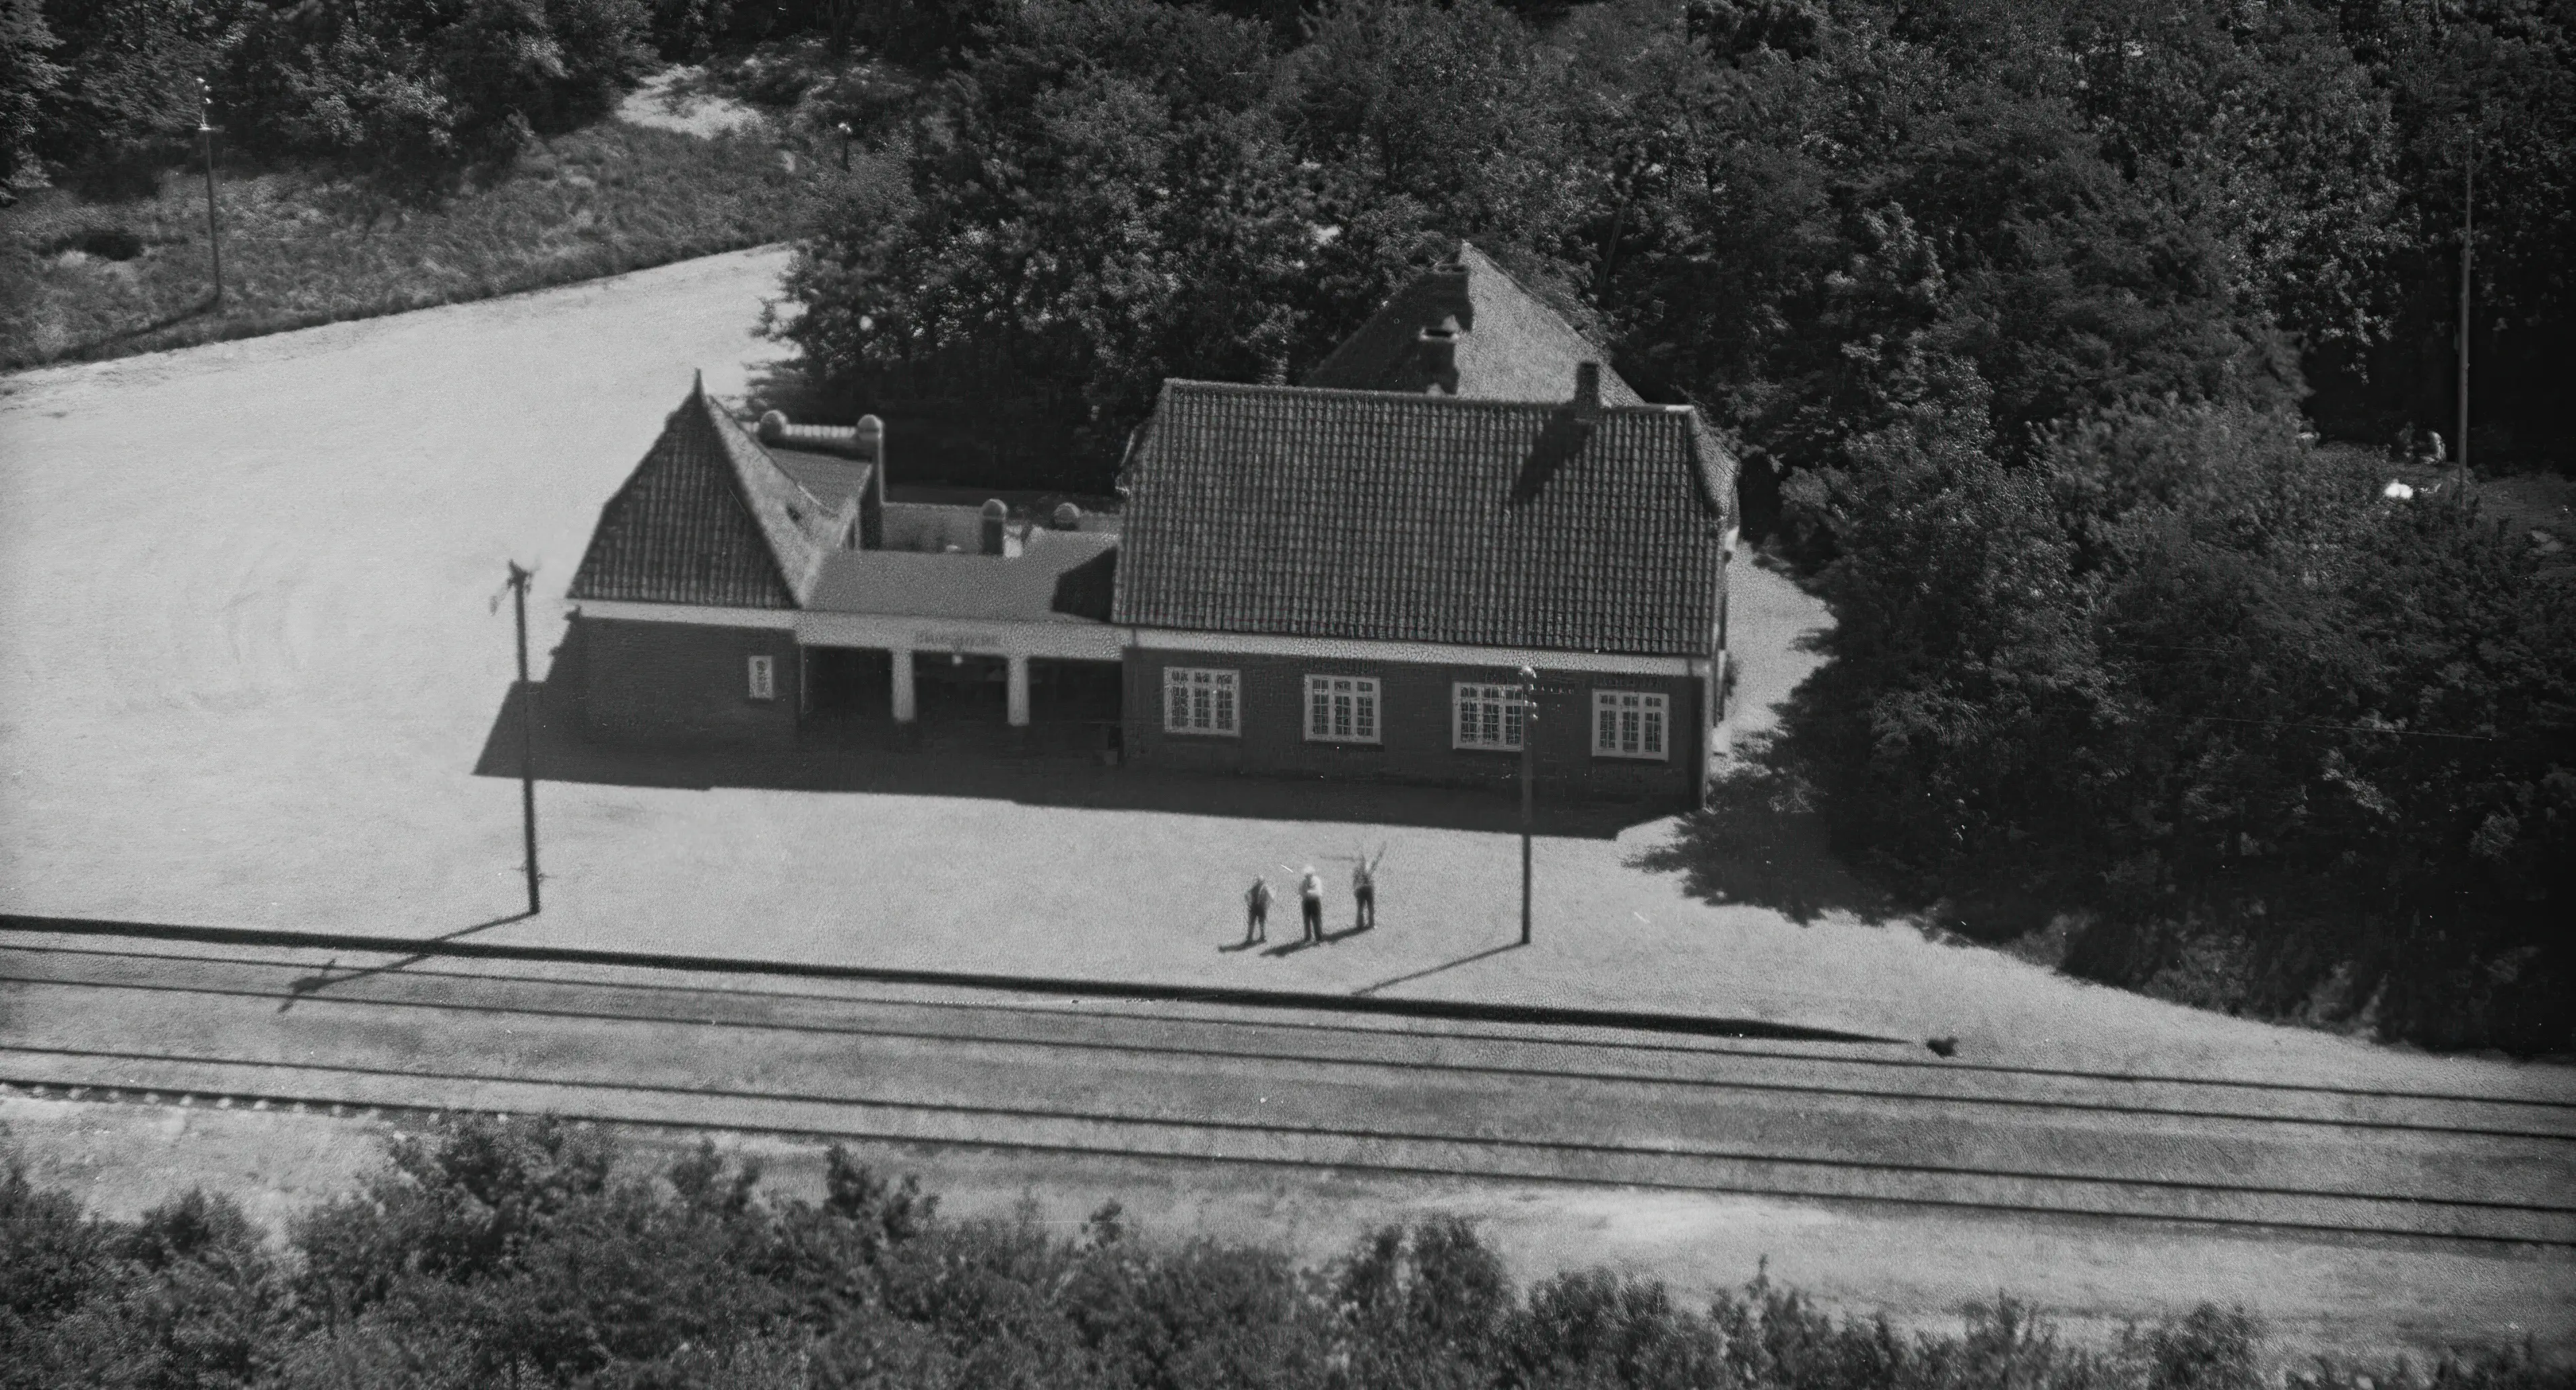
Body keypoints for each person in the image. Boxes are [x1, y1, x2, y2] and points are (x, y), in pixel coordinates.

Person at [1352, 847, 1384, 931]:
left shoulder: (1368, 867)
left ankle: (1371, 924)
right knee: (1361, 909)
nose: (1363, 863)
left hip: (1369, 890)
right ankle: (1360, 925)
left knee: (1371, 908)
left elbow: (1375, 863)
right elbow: (1355, 882)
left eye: (1364, 861)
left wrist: (1380, 855)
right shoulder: (1358, 871)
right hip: (1361, 891)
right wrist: (1356, 889)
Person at [1298, 865, 1324, 944]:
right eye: (1306, 875)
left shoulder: (1317, 881)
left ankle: (1319, 938)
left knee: (1317, 920)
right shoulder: (1303, 882)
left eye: (1309, 875)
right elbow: (1300, 892)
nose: (1307, 877)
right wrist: (1306, 893)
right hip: (1306, 903)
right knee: (1306, 920)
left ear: (1312, 875)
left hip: (1315, 903)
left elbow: (1318, 893)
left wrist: (1307, 892)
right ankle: (1308, 937)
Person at [1243, 875, 1272, 946]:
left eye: (1260, 882)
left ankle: (1262, 937)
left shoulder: (1266, 889)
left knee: (1262, 923)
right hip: (1254, 908)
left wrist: (1267, 905)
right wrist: (1249, 902)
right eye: (1258, 882)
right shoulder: (1254, 888)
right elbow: (1246, 894)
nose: (1259, 884)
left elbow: (1271, 897)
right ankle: (1249, 939)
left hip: (1261, 908)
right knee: (1251, 923)